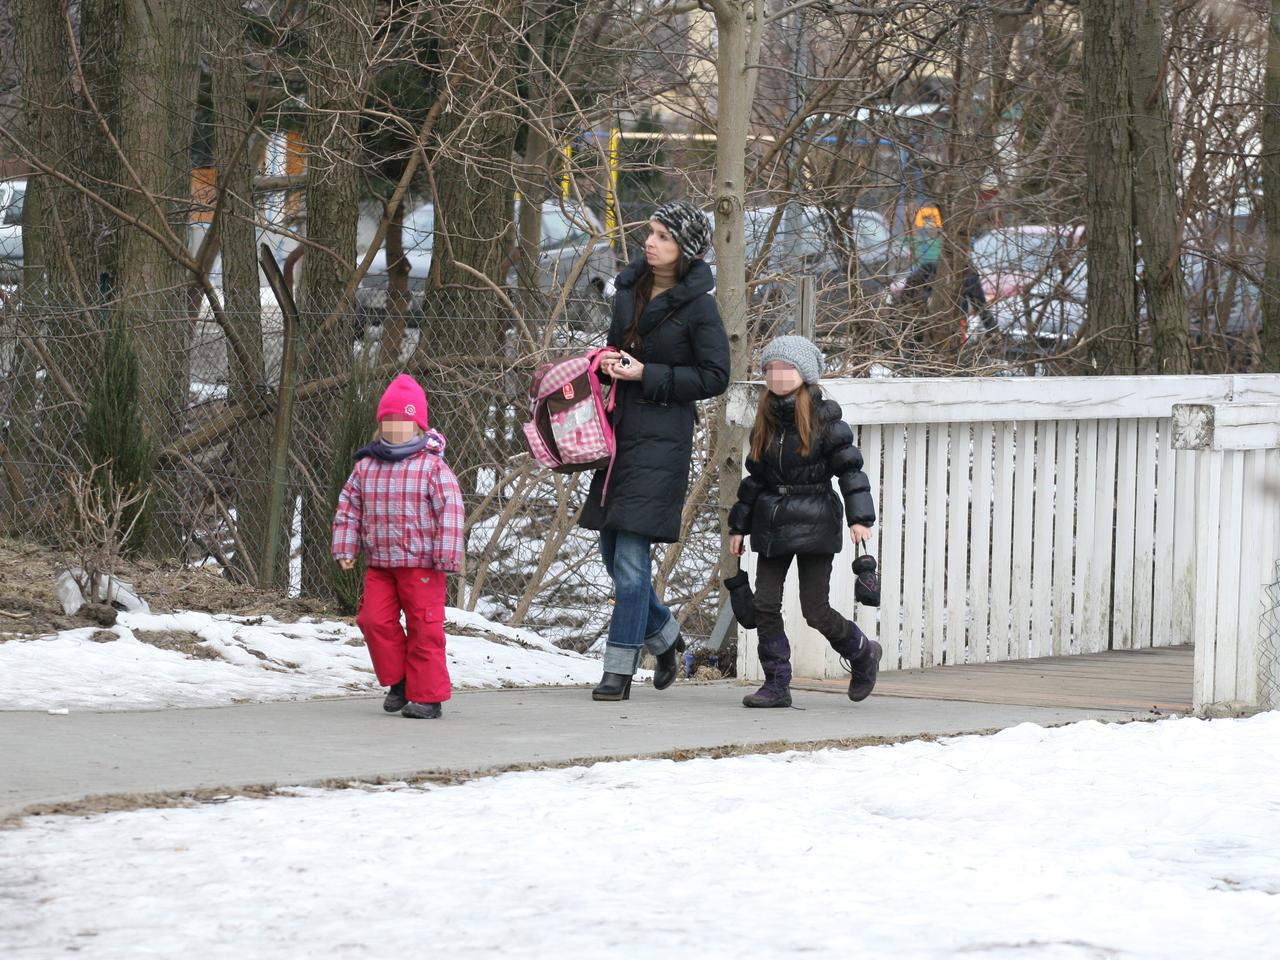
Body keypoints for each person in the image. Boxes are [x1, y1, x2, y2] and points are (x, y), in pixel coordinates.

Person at [579, 200, 731, 701]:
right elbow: (613, 347)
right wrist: (606, 362)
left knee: (629, 560)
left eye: (663, 236)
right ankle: (665, 639)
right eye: (651, 232)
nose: (651, 241)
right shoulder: (628, 288)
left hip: (663, 437)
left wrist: (648, 374)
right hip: (617, 432)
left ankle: (618, 670)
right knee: (609, 548)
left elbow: (715, 376)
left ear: (683, 249)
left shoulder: (699, 305)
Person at [727, 335, 880, 709]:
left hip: (816, 520)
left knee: (815, 610)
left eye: (786, 369)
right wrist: (739, 526)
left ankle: (862, 653)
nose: (777, 377)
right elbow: (754, 480)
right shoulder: (764, 418)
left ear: (804, 373)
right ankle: (776, 683)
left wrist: (859, 517)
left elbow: (850, 469)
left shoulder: (826, 418)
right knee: (764, 604)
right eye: (770, 370)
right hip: (772, 522)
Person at [331, 374, 465, 720]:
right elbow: (349, 507)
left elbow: (450, 510)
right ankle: (400, 680)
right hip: (380, 564)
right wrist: (347, 546)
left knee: (425, 627)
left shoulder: (432, 467)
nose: (396, 428)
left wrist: (447, 555)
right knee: (373, 620)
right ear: (380, 425)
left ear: (419, 426)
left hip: (422, 565)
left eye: (404, 422)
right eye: (389, 422)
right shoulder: (366, 466)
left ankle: (428, 697)